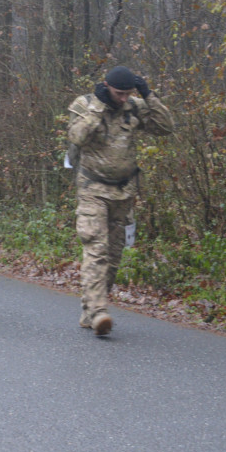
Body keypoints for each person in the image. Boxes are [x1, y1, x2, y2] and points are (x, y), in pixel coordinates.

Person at [66, 65, 174, 335]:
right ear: (106, 87)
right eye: (118, 93)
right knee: (96, 249)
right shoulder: (85, 104)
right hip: (92, 189)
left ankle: (90, 309)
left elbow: (166, 127)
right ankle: (99, 310)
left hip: (124, 192)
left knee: (114, 255)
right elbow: (77, 137)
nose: (123, 98)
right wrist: (98, 107)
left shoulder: (134, 107)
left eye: (128, 93)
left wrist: (149, 97)